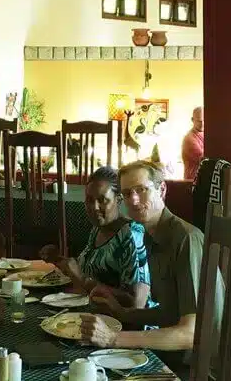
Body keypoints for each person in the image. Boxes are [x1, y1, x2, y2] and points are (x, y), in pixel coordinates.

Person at [80, 160, 222, 380]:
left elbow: (191, 334)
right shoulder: (150, 235)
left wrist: (113, 338)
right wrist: (122, 312)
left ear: (161, 189)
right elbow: (170, 312)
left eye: (141, 190)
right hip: (170, 354)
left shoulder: (186, 239)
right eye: (127, 193)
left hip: (196, 368)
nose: (134, 200)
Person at [39, 166, 152, 308]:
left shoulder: (132, 235)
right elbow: (91, 271)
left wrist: (82, 279)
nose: (95, 207)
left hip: (123, 321)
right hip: (97, 312)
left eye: (102, 200)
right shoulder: (98, 229)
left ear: (118, 200)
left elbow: (136, 303)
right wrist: (58, 259)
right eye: (89, 200)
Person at [181, 106, 204, 181]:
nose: (202, 124)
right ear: (192, 120)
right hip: (192, 182)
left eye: (204, 120)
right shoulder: (189, 139)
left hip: (202, 180)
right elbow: (205, 160)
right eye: (199, 121)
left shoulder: (204, 134)